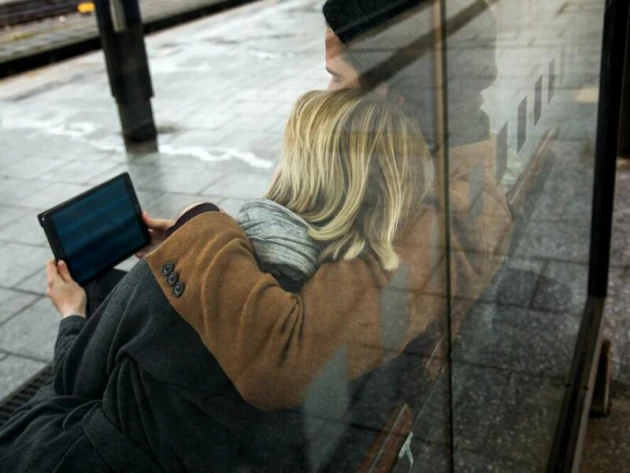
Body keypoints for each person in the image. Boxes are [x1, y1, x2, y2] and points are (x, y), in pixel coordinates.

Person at [0, 90, 434, 472]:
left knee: (92, 304)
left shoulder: (189, 285)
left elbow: (74, 379)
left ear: (301, 169)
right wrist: (186, 245)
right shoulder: (360, 291)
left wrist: (71, 312)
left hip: (88, 457)